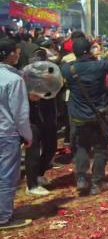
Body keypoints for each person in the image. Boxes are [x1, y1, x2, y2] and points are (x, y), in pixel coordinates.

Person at [61, 37, 108, 195]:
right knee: (100, 148)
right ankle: (96, 182)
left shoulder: (67, 69)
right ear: (90, 50)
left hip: (78, 116)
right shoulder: (99, 66)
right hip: (98, 115)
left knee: (81, 146)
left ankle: (81, 178)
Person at [0, 38, 33, 230]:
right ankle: (4, 217)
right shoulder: (14, 80)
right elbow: (20, 114)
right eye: (16, 51)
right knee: (6, 176)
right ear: (11, 54)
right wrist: (27, 135)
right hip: (6, 134)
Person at [24, 48, 58, 196]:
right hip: (31, 118)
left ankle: (38, 174)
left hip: (48, 115)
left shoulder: (51, 74)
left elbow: (58, 88)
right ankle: (31, 184)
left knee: (51, 146)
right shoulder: (24, 75)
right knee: (33, 150)